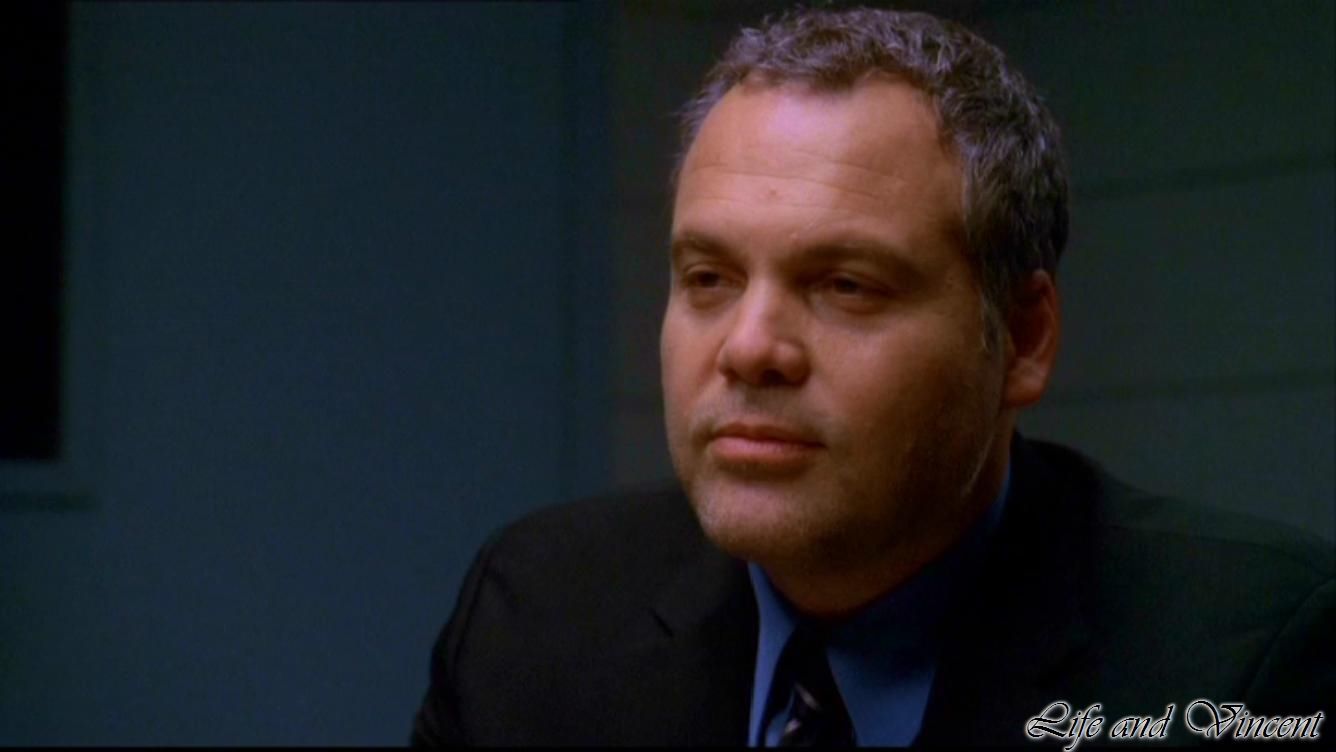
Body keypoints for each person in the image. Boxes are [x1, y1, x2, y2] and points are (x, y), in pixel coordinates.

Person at [412, 7, 1333, 746]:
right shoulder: (534, 615)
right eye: (709, 279)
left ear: (1022, 338)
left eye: (845, 285)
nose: (748, 348)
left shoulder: (1253, 662)